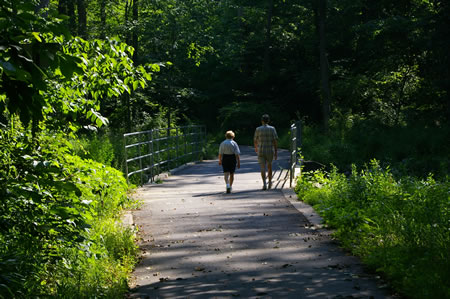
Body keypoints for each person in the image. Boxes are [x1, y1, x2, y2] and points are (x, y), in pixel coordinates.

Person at [254, 114, 278, 190]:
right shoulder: (272, 129)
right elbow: (275, 140)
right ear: (268, 121)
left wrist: (256, 148)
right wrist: (276, 151)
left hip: (261, 150)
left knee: (262, 167)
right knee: (269, 166)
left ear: (262, 121)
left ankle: (264, 183)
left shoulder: (258, 129)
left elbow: (255, 140)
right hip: (270, 150)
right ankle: (270, 182)